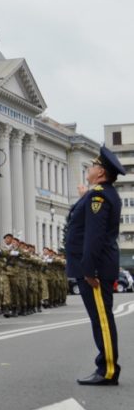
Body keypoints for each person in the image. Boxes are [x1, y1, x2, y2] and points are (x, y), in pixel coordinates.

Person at [66, 146, 125, 386]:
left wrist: (90, 270)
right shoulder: (97, 195)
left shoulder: (98, 196)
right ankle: (106, 366)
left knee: (102, 319)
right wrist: (84, 197)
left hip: (95, 269)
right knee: (100, 318)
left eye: (92, 166)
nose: (88, 170)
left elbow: (94, 236)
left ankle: (108, 369)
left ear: (100, 173)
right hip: (94, 266)